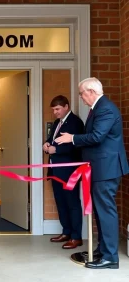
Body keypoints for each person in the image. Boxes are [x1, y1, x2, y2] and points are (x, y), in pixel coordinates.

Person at [55, 77, 129, 269]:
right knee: (100, 211)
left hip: (107, 169)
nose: (81, 97)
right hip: (101, 168)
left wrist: (72, 138)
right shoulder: (98, 108)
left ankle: (110, 257)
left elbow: (96, 137)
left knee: (105, 212)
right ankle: (103, 250)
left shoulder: (105, 108)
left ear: (91, 92)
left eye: (82, 93)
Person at [43, 95, 84, 249]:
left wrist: (56, 149)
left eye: (57, 109)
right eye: (53, 110)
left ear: (66, 106)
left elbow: (76, 145)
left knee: (72, 203)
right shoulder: (57, 123)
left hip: (69, 172)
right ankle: (66, 232)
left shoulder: (75, 122)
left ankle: (76, 237)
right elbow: (52, 139)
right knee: (61, 202)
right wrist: (47, 144)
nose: (55, 112)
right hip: (55, 170)